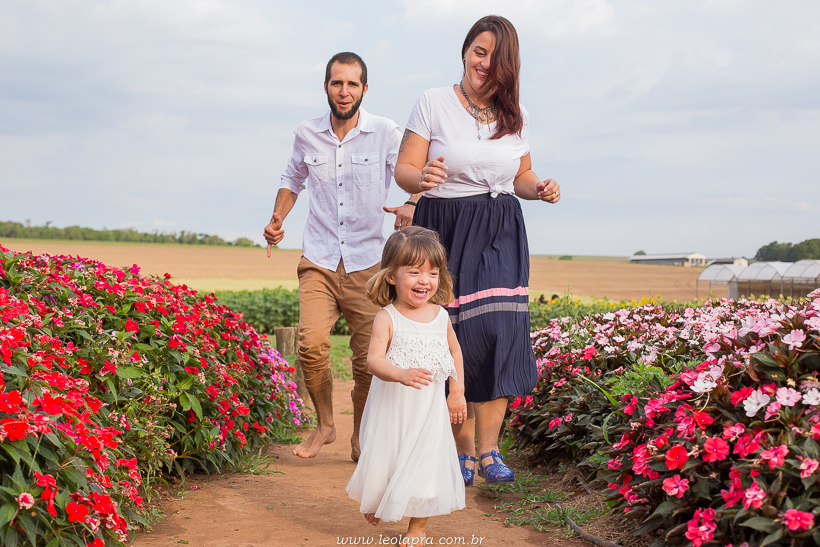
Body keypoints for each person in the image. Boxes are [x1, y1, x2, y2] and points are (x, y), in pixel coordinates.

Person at [394, 16, 561, 485]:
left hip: (501, 227)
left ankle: (491, 451)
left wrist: (540, 188)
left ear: (509, 65)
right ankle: (462, 450)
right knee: (455, 334)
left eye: (495, 57)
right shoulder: (433, 102)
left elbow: (520, 175)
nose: (484, 64)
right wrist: (421, 177)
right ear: (465, 52)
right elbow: (405, 170)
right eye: (479, 52)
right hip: (445, 226)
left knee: (500, 329)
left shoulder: (515, 113)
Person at [263, 52, 420, 461]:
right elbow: (292, 178)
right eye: (337, 83)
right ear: (326, 87)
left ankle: (361, 436)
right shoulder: (307, 133)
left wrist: (411, 202)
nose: (344, 91)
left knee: (369, 361)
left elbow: (412, 170)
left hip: (369, 263)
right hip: (318, 258)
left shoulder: (385, 131)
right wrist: (277, 217)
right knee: (311, 346)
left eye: (352, 84)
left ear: (364, 89)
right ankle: (325, 425)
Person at [346, 227, 467, 545]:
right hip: (394, 408)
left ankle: (417, 528)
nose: (424, 280)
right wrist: (399, 374)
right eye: (414, 272)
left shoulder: (440, 316)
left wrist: (457, 392)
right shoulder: (387, 317)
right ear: (391, 276)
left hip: (429, 412)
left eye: (433, 273)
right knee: (388, 458)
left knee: (426, 464)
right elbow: (373, 360)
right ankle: (379, 499)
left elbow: (454, 353)